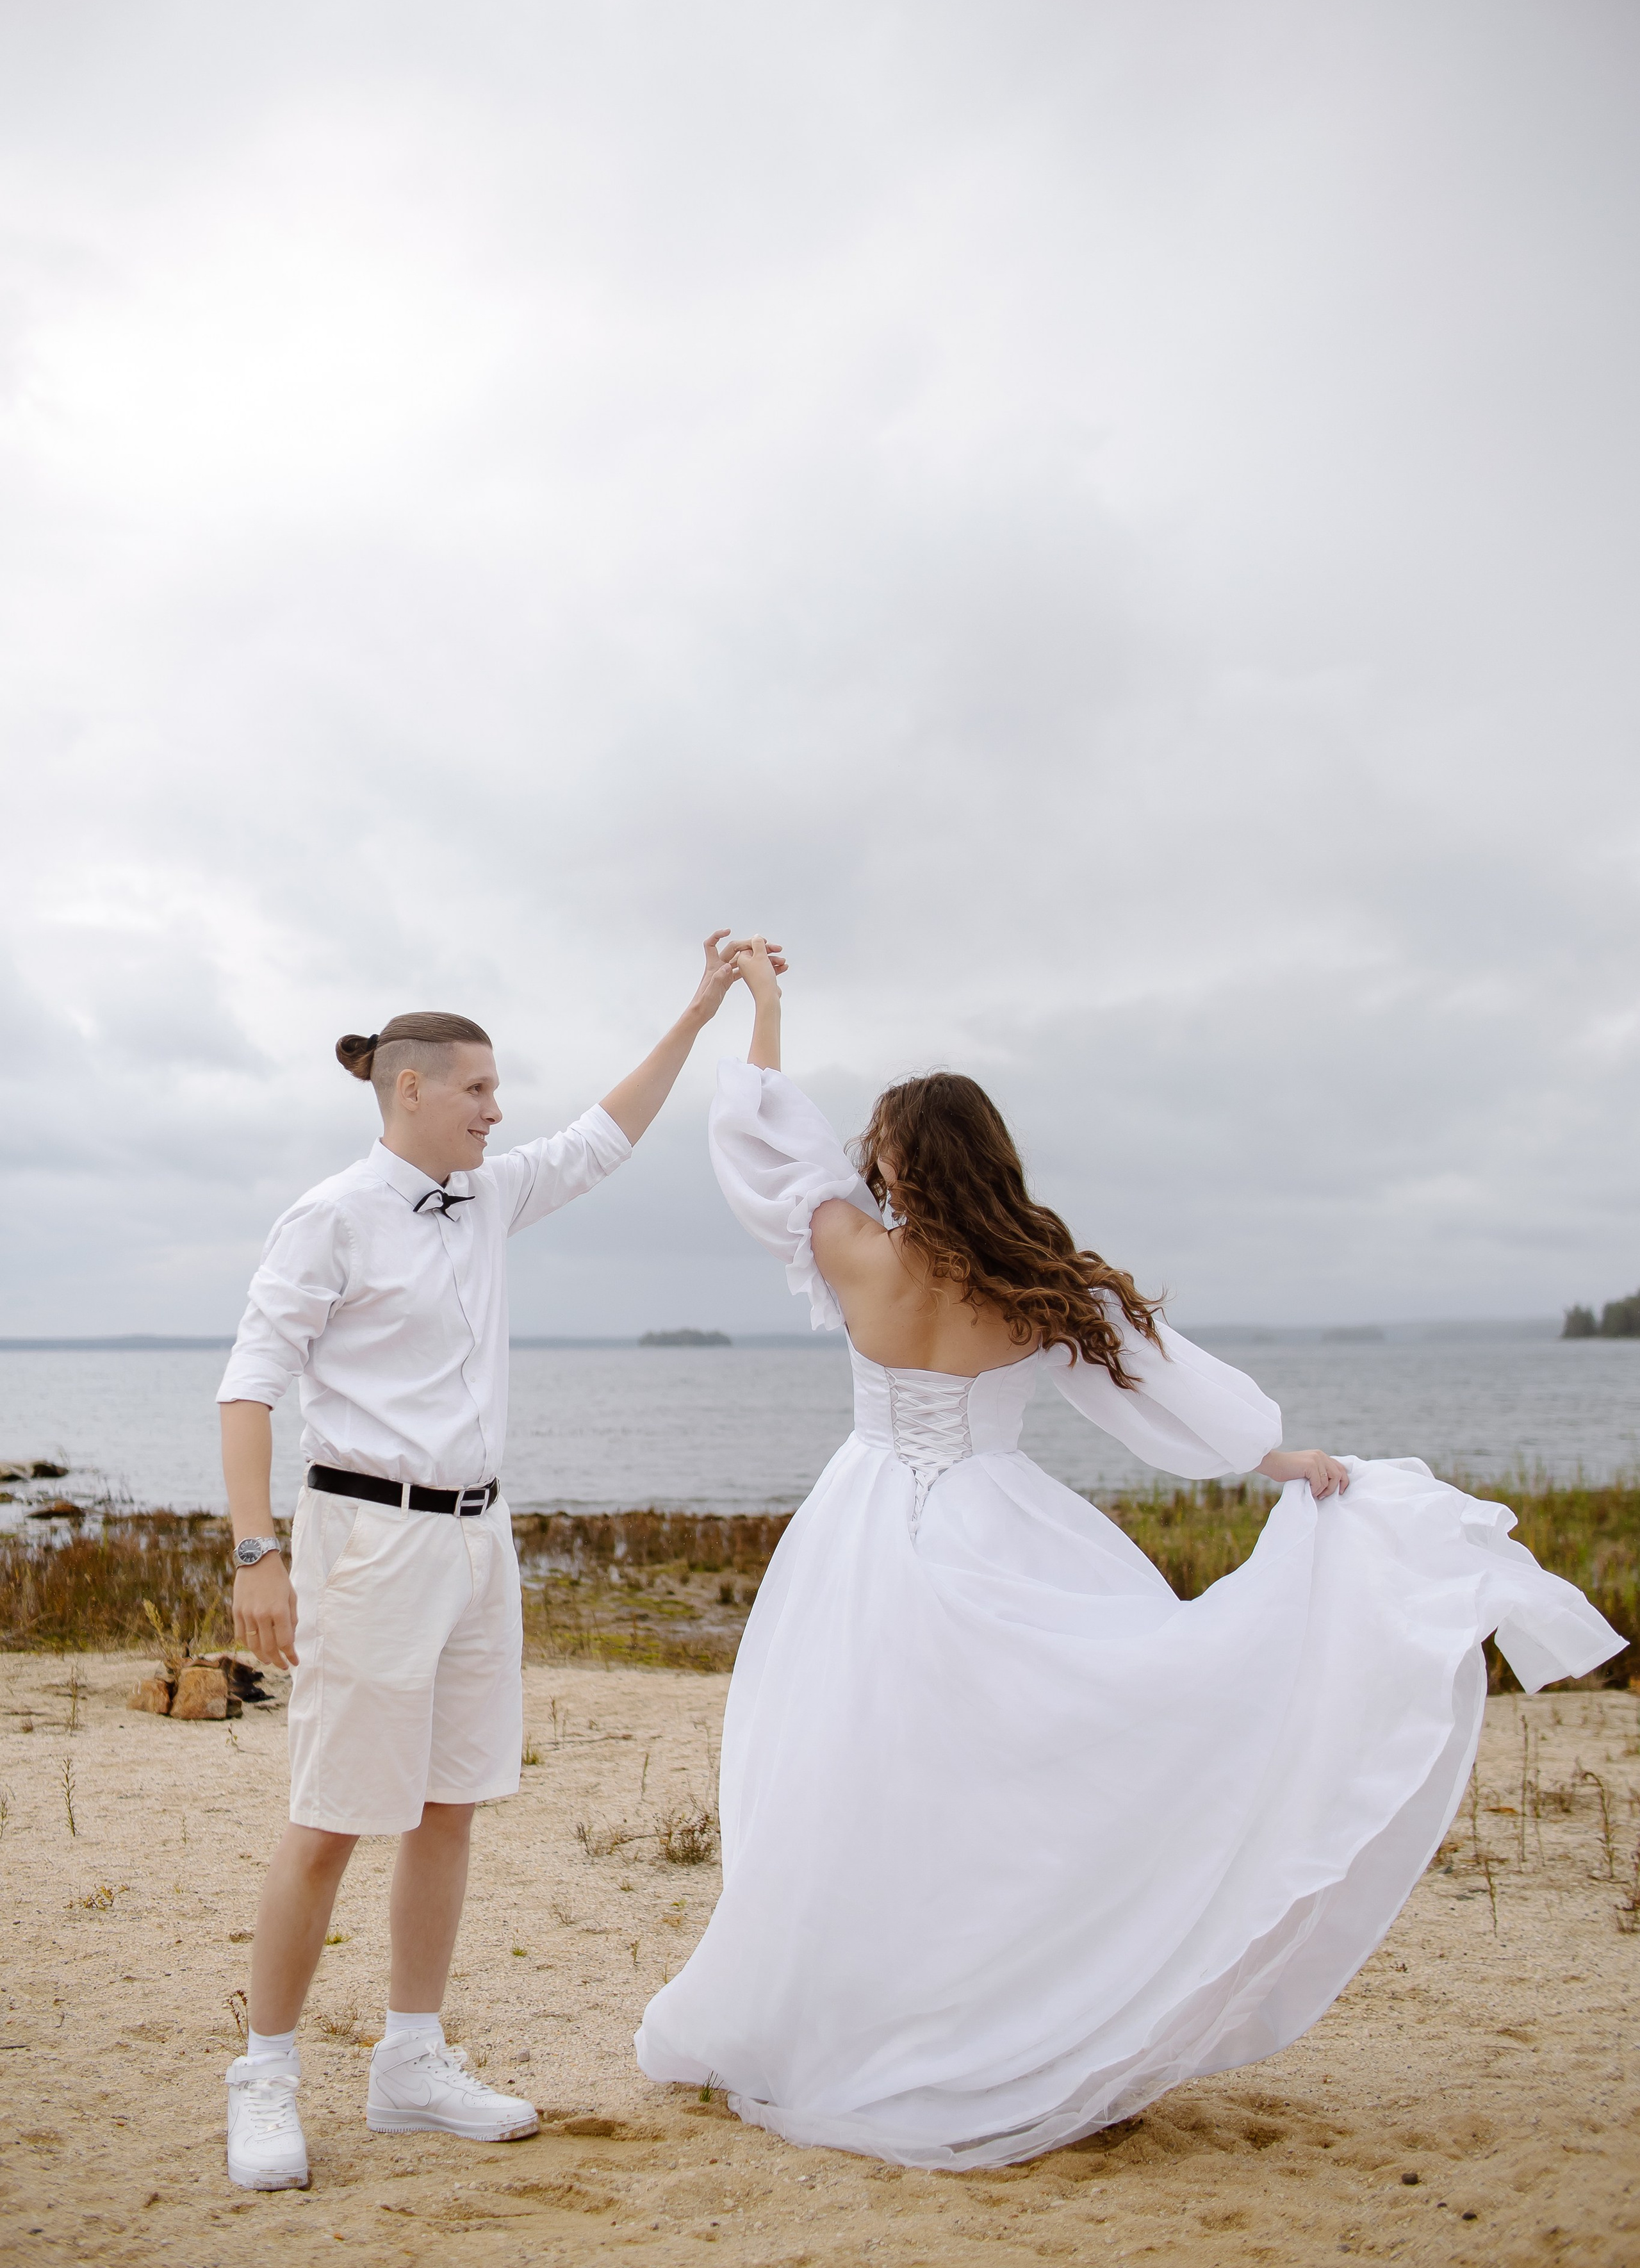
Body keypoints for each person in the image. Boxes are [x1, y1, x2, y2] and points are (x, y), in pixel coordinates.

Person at [635, 941, 1625, 2171]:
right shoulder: (1041, 1284)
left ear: (892, 1161)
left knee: (856, 1779)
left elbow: (765, 1139)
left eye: (881, 1150)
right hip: (999, 1529)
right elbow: (1174, 1404)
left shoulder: (848, 1249)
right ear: (993, 1163)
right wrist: (1282, 1460)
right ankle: (1018, 2017)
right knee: (1025, 1785)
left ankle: (867, 2014)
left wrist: (764, 1009)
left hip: (865, 1527)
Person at [218, 932, 780, 2192]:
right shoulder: (329, 1218)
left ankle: (411, 2065)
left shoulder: (486, 1195)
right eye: (476, 1089)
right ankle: (263, 2074)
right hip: (363, 1537)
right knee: (327, 1819)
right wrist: (257, 1551)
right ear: (409, 1090)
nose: (496, 1108)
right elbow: (248, 1390)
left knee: (447, 1803)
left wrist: (698, 1011)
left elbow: (601, 1136)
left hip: (479, 1535)